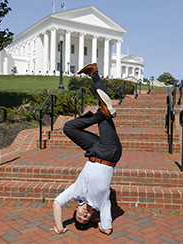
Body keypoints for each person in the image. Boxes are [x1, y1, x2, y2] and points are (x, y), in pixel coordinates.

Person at [51, 63, 122, 235]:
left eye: (79, 216)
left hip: (93, 150)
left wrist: (60, 227)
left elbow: (56, 203)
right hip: (109, 152)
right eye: (86, 218)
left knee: (68, 128)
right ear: (92, 216)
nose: (84, 215)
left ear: (76, 210)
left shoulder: (75, 191)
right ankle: (95, 75)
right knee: (104, 110)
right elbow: (107, 229)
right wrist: (100, 224)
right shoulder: (102, 203)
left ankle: (100, 113)